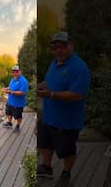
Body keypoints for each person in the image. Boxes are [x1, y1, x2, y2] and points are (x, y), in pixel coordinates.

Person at [37, 31, 90, 187]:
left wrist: (51, 94)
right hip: (48, 116)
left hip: (66, 120)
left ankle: (66, 173)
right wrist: (41, 86)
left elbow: (77, 94)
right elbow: (49, 82)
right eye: (55, 48)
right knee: (45, 142)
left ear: (70, 46)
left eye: (62, 46)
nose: (58, 50)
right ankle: (47, 167)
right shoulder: (54, 63)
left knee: (66, 150)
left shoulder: (79, 67)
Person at [2, 65, 29, 132]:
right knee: (8, 112)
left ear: (20, 71)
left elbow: (22, 92)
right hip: (10, 101)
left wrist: (11, 92)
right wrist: (6, 89)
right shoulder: (13, 79)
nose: (14, 73)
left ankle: (18, 125)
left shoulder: (23, 81)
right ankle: (9, 123)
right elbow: (10, 87)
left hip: (18, 103)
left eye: (16, 72)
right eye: (13, 72)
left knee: (18, 115)